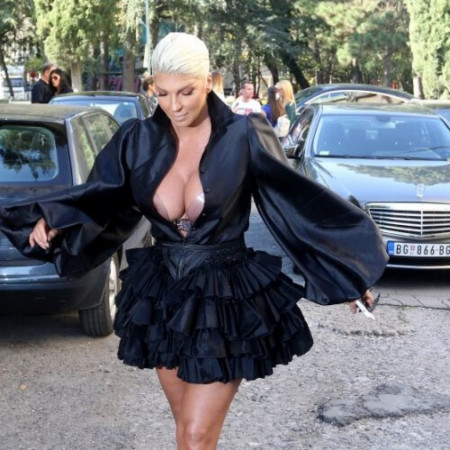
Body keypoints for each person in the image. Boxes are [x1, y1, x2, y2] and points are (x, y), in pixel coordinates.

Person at [0, 32, 387, 449]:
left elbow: (296, 201)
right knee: (187, 431)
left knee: (197, 435)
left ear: (207, 81)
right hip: (163, 296)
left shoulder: (244, 134)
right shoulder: (136, 138)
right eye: (163, 93)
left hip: (224, 297)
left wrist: (348, 270)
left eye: (186, 92)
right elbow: (100, 195)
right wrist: (54, 219)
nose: (175, 105)